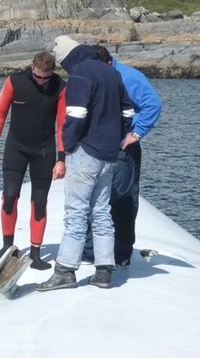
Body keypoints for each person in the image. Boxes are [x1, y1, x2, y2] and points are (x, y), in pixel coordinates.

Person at [37, 36, 134, 291]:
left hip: (86, 152)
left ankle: (65, 270)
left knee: (76, 212)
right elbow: (128, 112)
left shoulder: (81, 73)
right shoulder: (111, 73)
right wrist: (117, 136)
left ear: (70, 57)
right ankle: (104, 271)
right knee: (102, 212)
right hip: (109, 154)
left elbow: (76, 114)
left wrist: (68, 145)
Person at [82, 44, 162, 268]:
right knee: (93, 196)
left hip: (123, 147)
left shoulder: (129, 77)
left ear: (107, 64)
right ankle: (90, 250)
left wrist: (135, 133)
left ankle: (122, 252)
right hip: (97, 145)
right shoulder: (92, 75)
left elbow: (153, 104)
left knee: (123, 198)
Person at [0, 51, 67, 270]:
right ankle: (7, 246)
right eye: (38, 76)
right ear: (32, 67)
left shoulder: (60, 87)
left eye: (46, 78)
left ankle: (36, 252)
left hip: (44, 150)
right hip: (16, 148)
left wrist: (62, 159)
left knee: (39, 202)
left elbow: (62, 125)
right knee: (10, 195)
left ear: (53, 72)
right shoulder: (15, 82)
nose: (42, 82)